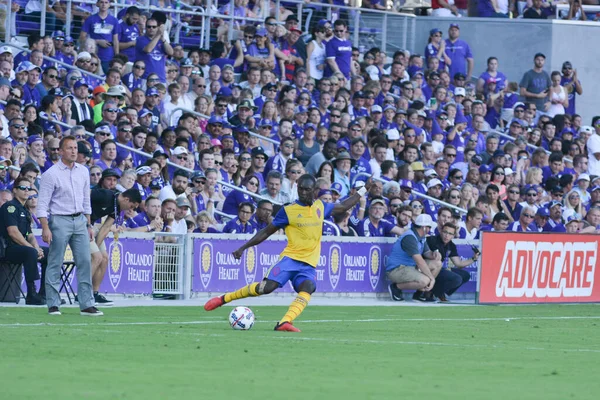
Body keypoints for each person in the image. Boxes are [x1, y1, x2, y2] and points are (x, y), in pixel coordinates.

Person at [204, 174, 374, 332]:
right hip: (290, 259)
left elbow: (344, 205)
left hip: (308, 264)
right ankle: (224, 299)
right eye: (300, 189)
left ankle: (284, 322)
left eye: (307, 189)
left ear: (314, 191)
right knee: (267, 288)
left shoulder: (321, 207)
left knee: (309, 287)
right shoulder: (289, 210)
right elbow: (266, 232)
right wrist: (243, 247)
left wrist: (364, 189)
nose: (303, 192)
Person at [37, 136, 103, 316]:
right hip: (59, 220)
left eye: (75, 148)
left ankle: (86, 303)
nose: (74, 151)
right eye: (70, 148)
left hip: (80, 220)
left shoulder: (83, 171)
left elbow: (86, 200)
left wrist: (89, 224)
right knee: (55, 262)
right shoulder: (50, 174)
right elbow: (42, 204)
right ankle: (53, 303)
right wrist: (45, 227)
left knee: (84, 261)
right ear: (60, 151)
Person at [89, 188, 142, 305]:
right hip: (81, 225)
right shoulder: (105, 194)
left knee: (104, 258)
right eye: (132, 206)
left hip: (91, 228)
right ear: (126, 199)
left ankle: (94, 293)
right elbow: (85, 193)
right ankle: (82, 294)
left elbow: (106, 227)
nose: (131, 210)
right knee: (96, 257)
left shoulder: (117, 207)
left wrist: (96, 245)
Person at [0, 177, 48, 305]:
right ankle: (31, 294)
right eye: (23, 188)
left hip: (22, 248)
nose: (27, 191)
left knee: (49, 252)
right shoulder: (10, 207)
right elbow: (13, 233)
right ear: (15, 190)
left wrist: (37, 248)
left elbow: (29, 234)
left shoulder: (25, 209)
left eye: (29, 188)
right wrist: (32, 249)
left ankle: (45, 293)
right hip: (7, 249)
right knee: (30, 253)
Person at [386, 214, 442, 302]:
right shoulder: (410, 237)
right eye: (429, 227)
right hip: (397, 269)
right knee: (425, 280)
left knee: (437, 263)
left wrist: (435, 254)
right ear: (424, 227)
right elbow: (419, 261)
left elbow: (427, 253)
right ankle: (395, 287)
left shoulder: (421, 237)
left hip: (409, 267)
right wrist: (432, 278)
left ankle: (419, 294)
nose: (429, 230)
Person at [426, 223, 478, 302]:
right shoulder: (432, 240)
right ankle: (430, 292)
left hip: (440, 269)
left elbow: (459, 264)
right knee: (457, 279)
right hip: (430, 269)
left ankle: (439, 292)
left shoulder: (451, 245)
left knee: (465, 275)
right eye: (445, 232)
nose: (447, 236)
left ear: (453, 236)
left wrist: (474, 258)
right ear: (440, 231)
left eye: (450, 234)